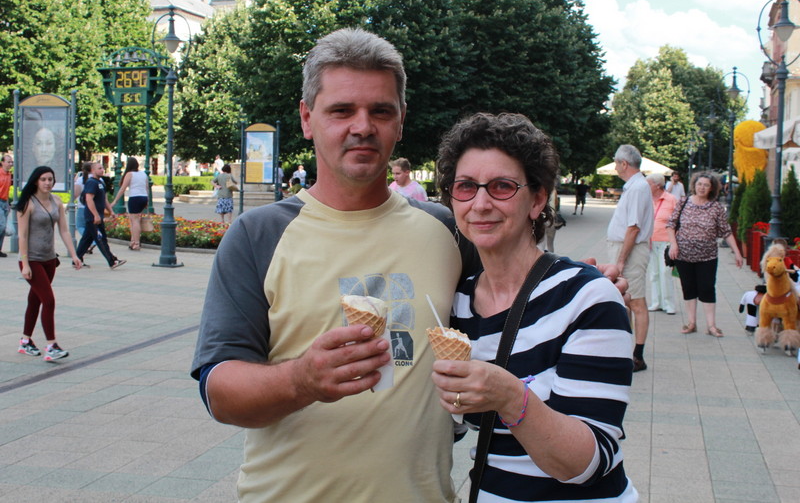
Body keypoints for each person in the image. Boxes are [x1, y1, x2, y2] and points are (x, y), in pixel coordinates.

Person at [190, 28, 624, 503]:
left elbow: (510, 275)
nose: (362, 126)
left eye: (381, 111)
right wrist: (302, 380)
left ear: (400, 121)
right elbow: (219, 392)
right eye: (341, 110)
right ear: (307, 118)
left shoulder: (446, 230)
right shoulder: (258, 236)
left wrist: (580, 285)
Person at [434, 112, 637, 502]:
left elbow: (586, 463)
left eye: (502, 187)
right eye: (465, 187)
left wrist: (511, 397)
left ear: (538, 199)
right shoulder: (459, 304)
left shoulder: (587, 298)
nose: (480, 203)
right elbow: (457, 423)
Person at [15, 166, 82, 361]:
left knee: (35, 300)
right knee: (49, 300)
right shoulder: (28, 203)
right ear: (36, 181)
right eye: (43, 179)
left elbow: (64, 230)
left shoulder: (57, 201)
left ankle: (25, 341)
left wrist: (74, 255)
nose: (47, 183)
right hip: (32, 260)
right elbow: (22, 236)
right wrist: (25, 264)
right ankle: (51, 346)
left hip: (49, 259)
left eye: (50, 179)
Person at [667, 172, 743, 337]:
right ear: (694, 185)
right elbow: (671, 224)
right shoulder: (683, 202)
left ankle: (711, 325)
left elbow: (726, 232)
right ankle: (691, 323)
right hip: (683, 254)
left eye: (706, 185)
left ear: (711, 188)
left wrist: (737, 253)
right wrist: (673, 244)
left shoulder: (716, 207)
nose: (702, 188)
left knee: (707, 287)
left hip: (707, 256)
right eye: (699, 184)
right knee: (688, 287)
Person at [608, 144, 654, 372]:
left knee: (636, 301)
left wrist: (621, 260)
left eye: (616, 163)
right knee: (624, 299)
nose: (616, 167)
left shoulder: (637, 188)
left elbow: (633, 228)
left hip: (631, 251)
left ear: (624, 163)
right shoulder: (635, 186)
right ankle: (626, 350)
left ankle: (638, 356)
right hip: (627, 249)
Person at [75, 162, 126, 270]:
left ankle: (77, 259)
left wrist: (111, 211)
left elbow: (104, 199)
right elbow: (89, 199)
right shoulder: (91, 182)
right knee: (100, 239)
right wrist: (95, 215)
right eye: (99, 168)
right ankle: (112, 261)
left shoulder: (100, 182)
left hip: (97, 217)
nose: (102, 170)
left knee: (86, 239)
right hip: (93, 218)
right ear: (92, 170)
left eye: (102, 168)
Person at [646, 173, 677, 315]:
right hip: (650, 241)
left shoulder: (671, 200)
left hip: (666, 241)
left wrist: (675, 242)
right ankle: (656, 302)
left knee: (665, 272)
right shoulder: (646, 199)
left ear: (657, 185)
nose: (646, 186)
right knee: (654, 273)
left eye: (649, 184)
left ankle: (668, 304)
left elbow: (678, 221)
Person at [109, 157, 150, 250]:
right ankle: (133, 241)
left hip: (134, 197)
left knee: (134, 220)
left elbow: (122, 188)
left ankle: (136, 243)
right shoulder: (143, 174)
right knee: (136, 219)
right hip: (143, 197)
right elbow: (147, 188)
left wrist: (115, 201)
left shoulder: (129, 174)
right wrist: (147, 200)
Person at [0, 153, 12, 257]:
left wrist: (8, 204)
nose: (10, 164)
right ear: (2, 162)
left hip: (4, 202)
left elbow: (6, 190)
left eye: (11, 162)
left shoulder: (9, 175)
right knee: (2, 225)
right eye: (8, 162)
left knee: (3, 229)